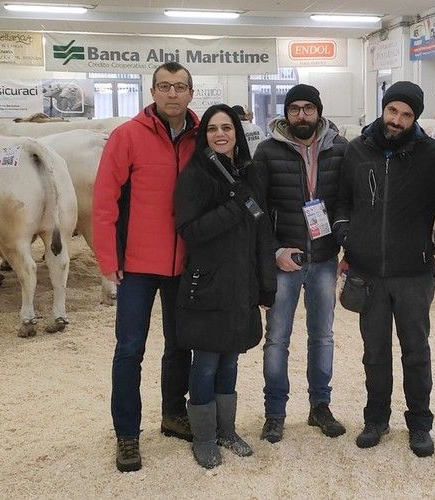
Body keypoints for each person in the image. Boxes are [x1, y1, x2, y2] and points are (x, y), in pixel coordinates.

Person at [332, 81, 435, 457]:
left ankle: (420, 424)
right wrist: (345, 232)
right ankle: (376, 419)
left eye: (406, 115)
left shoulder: (434, 156)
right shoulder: (357, 150)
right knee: (374, 353)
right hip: (368, 273)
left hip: (414, 274)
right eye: (393, 111)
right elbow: (342, 199)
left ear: (415, 118)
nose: (397, 120)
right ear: (383, 108)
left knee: (416, 352)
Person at [92, 62, 198, 473]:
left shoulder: (200, 137)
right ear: (153, 91)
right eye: (164, 86)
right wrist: (108, 258)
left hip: (183, 264)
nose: (172, 93)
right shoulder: (128, 136)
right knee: (129, 349)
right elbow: (104, 201)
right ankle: (127, 434)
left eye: (180, 87)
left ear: (191, 93)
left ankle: (173, 414)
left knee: (180, 344)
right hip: (136, 265)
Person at [173, 104, 277, 469]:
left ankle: (226, 430)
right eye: (213, 128)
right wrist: (234, 207)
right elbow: (190, 231)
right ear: (204, 135)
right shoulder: (195, 177)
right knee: (205, 362)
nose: (220, 134)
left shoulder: (250, 173)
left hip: (241, 283)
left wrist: (266, 284)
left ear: (237, 133)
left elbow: (262, 231)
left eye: (227, 128)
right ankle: (203, 437)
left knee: (230, 358)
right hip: (208, 283)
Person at [251, 83, 349, 443]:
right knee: (277, 339)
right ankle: (275, 412)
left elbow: (347, 202)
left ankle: (320, 406)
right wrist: (275, 250)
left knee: (322, 336)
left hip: (324, 259)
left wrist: (346, 246)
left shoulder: (340, 149)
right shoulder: (267, 151)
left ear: (318, 112)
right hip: (285, 262)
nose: (302, 115)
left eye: (308, 108)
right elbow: (256, 208)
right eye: (295, 109)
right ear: (286, 113)